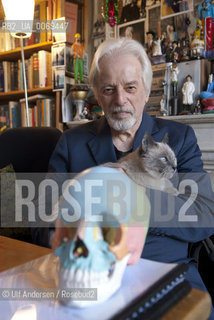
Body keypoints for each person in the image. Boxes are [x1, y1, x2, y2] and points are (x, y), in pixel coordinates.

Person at [31, 38, 214, 318]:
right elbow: (41, 222)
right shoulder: (71, 143)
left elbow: (205, 215)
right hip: (87, 273)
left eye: (130, 87)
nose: (120, 100)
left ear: (145, 88)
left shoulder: (180, 139)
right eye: (108, 89)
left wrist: (129, 199)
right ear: (96, 93)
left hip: (167, 272)